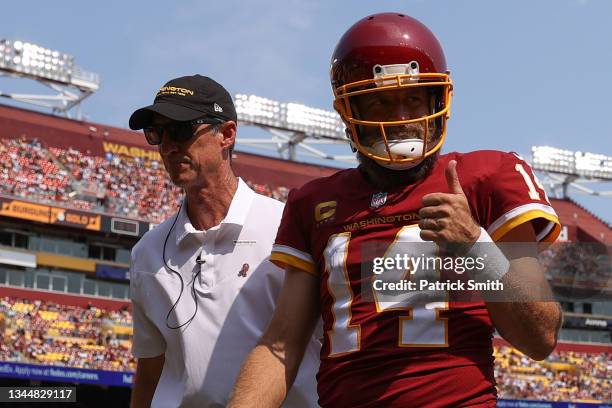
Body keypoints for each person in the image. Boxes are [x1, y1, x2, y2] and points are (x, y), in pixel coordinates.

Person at [229, 13, 563, 407]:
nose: (402, 118)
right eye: (381, 102)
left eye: (413, 99)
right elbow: (280, 345)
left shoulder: (485, 177)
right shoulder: (313, 203)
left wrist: (476, 247)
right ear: (348, 112)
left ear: (437, 99)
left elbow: (539, 337)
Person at [127, 75, 319, 408]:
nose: (168, 146)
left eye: (182, 130)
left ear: (227, 134)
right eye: (157, 133)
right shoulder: (146, 253)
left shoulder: (286, 226)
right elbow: (151, 370)